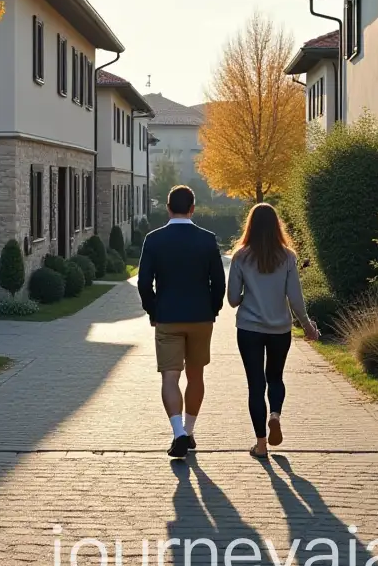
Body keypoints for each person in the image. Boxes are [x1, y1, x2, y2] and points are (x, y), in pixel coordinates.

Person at [137, 184, 226, 460]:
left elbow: (143, 283)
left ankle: (178, 433)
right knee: (196, 375)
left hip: (168, 317)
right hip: (200, 317)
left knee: (170, 376)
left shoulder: (153, 240)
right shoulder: (208, 239)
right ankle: (189, 430)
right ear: (193, 208)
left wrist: (153, 311)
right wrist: (213, 309)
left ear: (167, 208)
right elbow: (219, 282)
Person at [226, 202, 319, 459]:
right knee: (275, 377)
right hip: (280, 328)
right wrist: (308, 326)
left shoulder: (241, 256)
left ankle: (261, 445)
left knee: (255, 385)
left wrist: (249, 294)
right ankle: (275, 414)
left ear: (251, 225)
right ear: (277, 225)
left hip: (249, 328)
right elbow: (295, 298)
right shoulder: (288, 257)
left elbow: (232, 298)